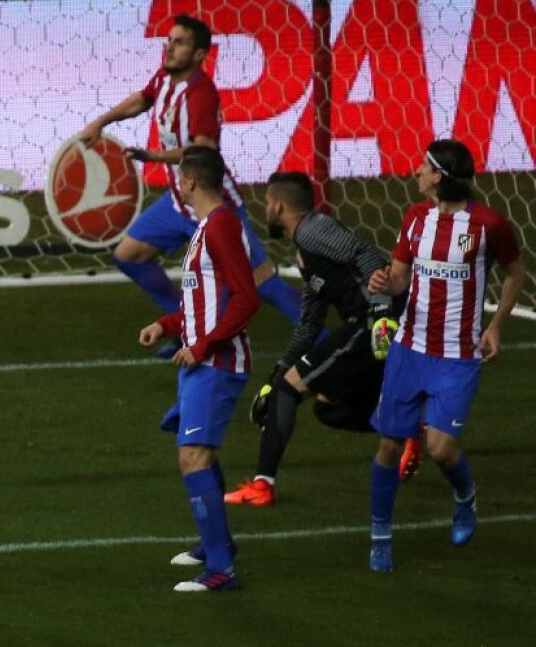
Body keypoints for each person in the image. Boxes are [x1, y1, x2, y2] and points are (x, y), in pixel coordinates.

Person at [79, 15, 300, 356]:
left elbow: (204, 150)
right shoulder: (165, 79)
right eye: (168, 39)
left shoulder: (200, 94)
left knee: (264, 284)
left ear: (199, 55)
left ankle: (324, 343)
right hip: (179, 202)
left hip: (214, 204)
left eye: (179, 42)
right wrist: (101, 121)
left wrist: (154, 156)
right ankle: (186, 325)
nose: (169, 46)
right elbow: (142, 98)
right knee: (129, 256)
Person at [365, 139, 526, 573]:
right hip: (409, 349)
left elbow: (516, 272)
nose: (415, 172)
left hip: (458, 354)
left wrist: (494, 325)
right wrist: (386, 283)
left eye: (423, 167)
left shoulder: (490, 224)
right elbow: (401, 278)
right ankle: (380, 537)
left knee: (439, 448)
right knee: (388, 445)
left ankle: (464, 496)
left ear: (439, 176)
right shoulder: (415, 219)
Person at [223, 172, 404, 507]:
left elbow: (367, 255)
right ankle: (408, 429)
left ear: (278, 205)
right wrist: (276, 374)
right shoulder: (307, 253)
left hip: (371, 325)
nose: (266, 210)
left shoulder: (313, 229)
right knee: (328, 407)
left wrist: (381, 315)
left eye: (266, 204)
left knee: (291, 390)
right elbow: (309, 323)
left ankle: (262, 485)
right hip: (365, 324)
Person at [137, 147, 259, 593]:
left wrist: (203, 345)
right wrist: (165, 325)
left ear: (189, 182)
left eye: (178, 179)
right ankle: (215, 543)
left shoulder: (222, 226)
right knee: (197, 452)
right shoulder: (209, 227)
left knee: (194, 457)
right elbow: (200, 302)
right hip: (202, 358)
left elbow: (246, 298)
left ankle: (222, 568)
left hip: (217, 361)